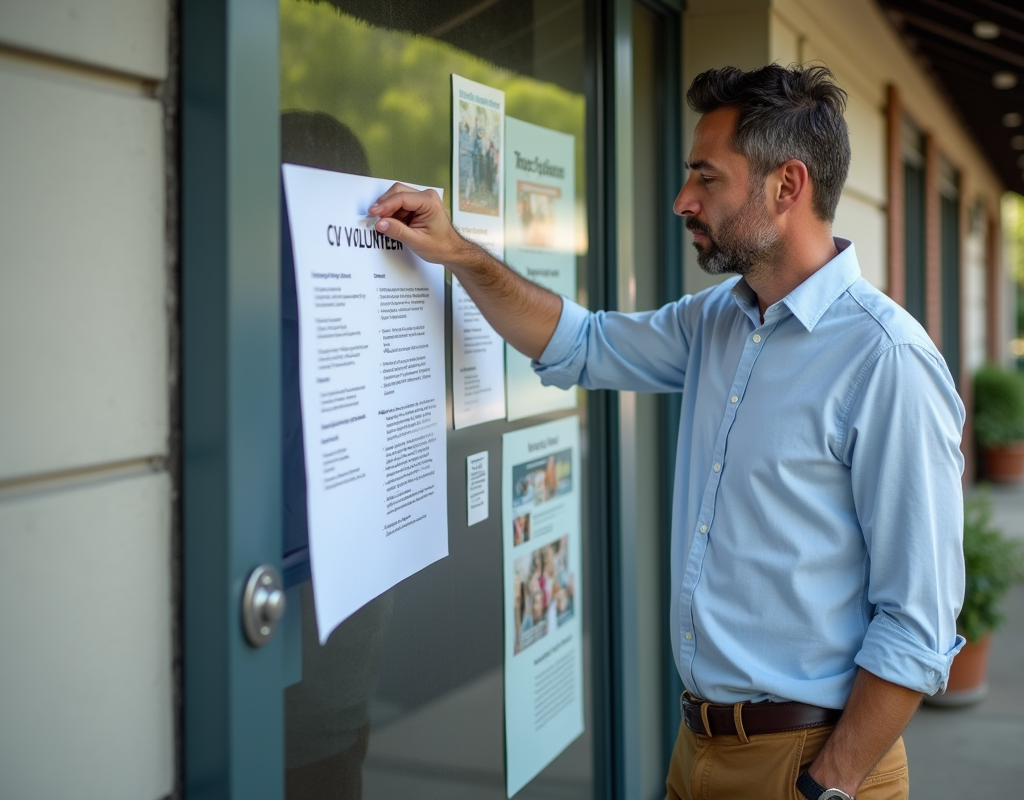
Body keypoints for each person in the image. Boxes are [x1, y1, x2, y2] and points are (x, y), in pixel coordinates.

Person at [369, 64, 965, 800]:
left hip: (816, 762)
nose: (683, 200)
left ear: (788, 186)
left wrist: (827, 786)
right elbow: (579, 342)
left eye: (706, 179)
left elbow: (918, 622)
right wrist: (457, 252)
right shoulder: (718, 320)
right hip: (698, 752)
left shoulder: (887, 360)